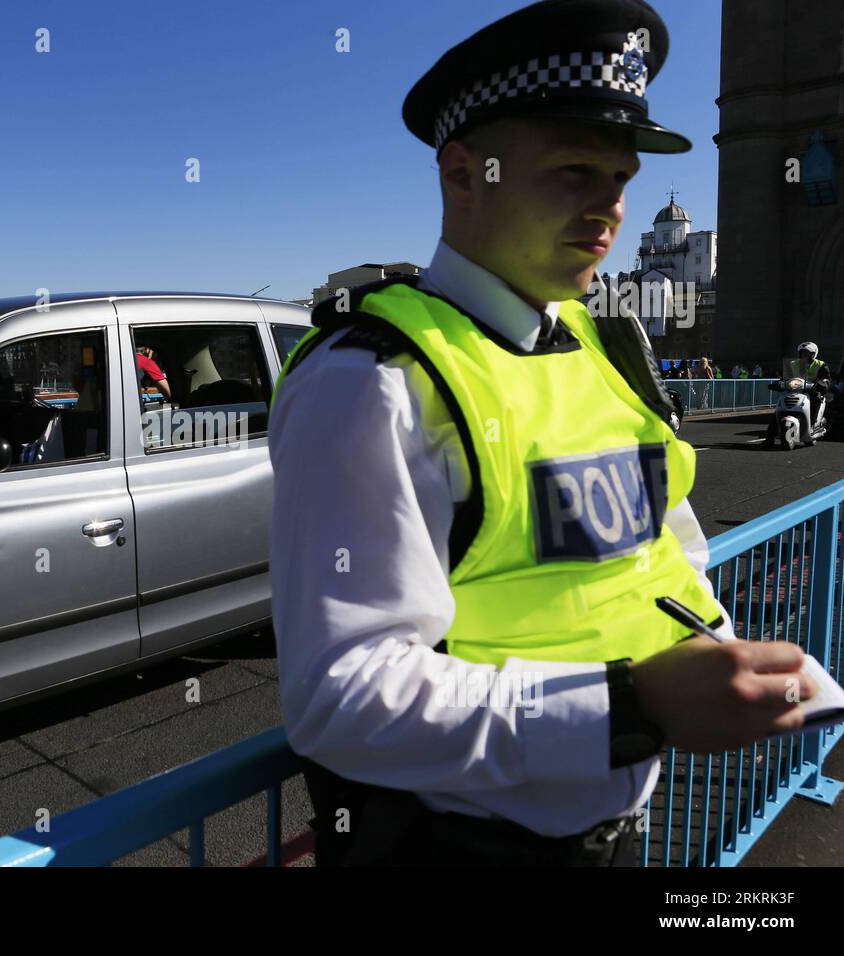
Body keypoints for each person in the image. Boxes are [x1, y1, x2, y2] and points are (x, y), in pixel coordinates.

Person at [269, 0, 816, 868]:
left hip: (614, 832)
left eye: (620, 180)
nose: (609, 209)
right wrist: (633, 708)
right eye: (572, 172)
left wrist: (718, 651)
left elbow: (664, 551)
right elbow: (342, 697)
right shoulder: (370, 378)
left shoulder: (606, 348)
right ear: (462, 174)